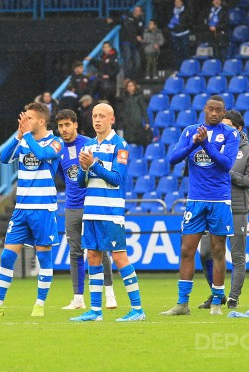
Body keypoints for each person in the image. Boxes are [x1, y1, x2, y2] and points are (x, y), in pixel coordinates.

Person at [0, 103, 63, 318]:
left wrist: (26, 137)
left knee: (44, 258)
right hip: (21, 209)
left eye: (29, 118)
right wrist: (18, 136)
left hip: (42, 209)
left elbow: (41, 155)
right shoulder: (24, 141)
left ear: (41, 121)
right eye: (24, 119)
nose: (25, 122)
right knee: (6, 257)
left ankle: (39, 304)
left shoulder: (55, 142)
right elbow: (5, 159)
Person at [161, 95, 239, 316]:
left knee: (217, 251)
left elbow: (226, 164)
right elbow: (173, 159)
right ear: (204, 109)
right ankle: (182, 304)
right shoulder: (190, 131)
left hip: (219, 200)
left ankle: (216, 303)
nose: (214, 113)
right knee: (187, 250)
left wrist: (205, 144)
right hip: (195, 200)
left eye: (219, 111)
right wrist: (194, 143)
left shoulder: (230, 134)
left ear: (224, 113)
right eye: (211, 109)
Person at [70, 103, 146, 322]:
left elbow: (116, 179)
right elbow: (80, 183)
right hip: (91, 210)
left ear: (112, 119)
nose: (97, 120)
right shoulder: (89, 146)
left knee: (119, 256)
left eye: (102, 116)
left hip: (110, 211)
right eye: (94, 116)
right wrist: (84, 169)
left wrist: (93, 165)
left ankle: (137, 309)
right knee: (92, 256)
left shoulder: (119, 145)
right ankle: (95, 310)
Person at [197, 110, 249, 310]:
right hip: (214, 206)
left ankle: (233, 298)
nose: (222, 129)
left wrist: (229, 173)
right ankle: (218, 294)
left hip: (236, 208)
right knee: (206, 253)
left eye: (227, 125)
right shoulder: (214, 148)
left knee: (237, 256)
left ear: (239, 128)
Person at [55, 109, 118, 311]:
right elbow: (62, 177)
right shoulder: (57, 150)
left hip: (92, 204)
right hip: (71, 207)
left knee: (99, 249)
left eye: (67, 125)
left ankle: (109, 293)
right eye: (60, 126)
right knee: (75, 253)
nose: (64, 129)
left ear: (75, 125)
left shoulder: (90, 144)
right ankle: (78, 299)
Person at [107, 6, 144, 79]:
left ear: (140, 12)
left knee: (137, 62)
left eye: (137, 10)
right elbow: (119, 20)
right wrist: (112, 20)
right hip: (126, 41)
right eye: (135, 9)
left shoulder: (141, 21)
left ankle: (133, 78)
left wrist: (140, 37)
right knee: (127, 59)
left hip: (135, 43)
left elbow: (140, 32)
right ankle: (127, 78)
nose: (135, 11)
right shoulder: (128, 17)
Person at [117, 80, 150, 145]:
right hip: (127, 123)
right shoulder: (124, 98)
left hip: (137, 122)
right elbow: (121, 110)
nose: (130, 87)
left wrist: (146, 122)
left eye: (131, 86)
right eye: (128, 86)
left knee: (137, 141)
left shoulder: (139, 97)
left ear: (135, 87)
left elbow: (143, 110)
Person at [168, 0, 191, 70]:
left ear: (182, 2)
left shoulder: (187, 11)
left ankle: (186, 69)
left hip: (184, 34)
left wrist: (178, 27)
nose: (177, 3)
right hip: (174, 35)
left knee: (185, 52)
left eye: (179, 1)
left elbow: (189, 23)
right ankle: (177, 69)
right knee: (176, 53)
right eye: (175, 2)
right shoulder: (171, 11)